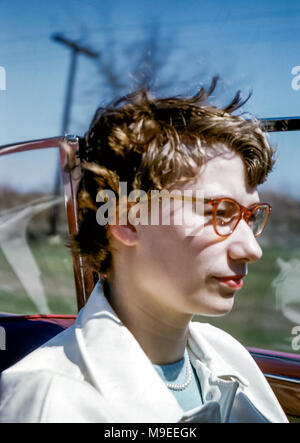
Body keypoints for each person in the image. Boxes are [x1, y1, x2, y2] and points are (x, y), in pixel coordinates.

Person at [0, 78, 288, 423]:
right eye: (219, 213)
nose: (251, 249)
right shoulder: (50, 402)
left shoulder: (229, 354)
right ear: (126, 219)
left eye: (250, 216)